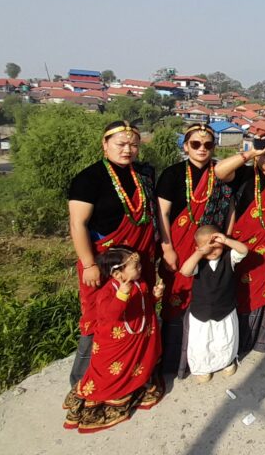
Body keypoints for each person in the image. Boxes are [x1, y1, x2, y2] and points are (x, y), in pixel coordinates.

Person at [66, 121, 159, 390]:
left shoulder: (143, 175)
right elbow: (77, 224)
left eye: (133, 145)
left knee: (138, 313)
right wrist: (89, 264)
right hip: (104, 263)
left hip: (138, 261)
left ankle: (135, 376)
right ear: (105, 145)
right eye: (121, 144)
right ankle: (82, 382)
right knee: (98, 318)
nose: (127, 150)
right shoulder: (88, 178)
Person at [155, 123, 237, 376]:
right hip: (180, 245)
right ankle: (175, 363)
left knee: (211, 296)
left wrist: (226, 240)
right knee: (177, 301)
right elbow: (162, 214)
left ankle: (214, 358)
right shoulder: (172, 174)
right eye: (195, 144)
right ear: (185, 146)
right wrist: (167, 248)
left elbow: (230, 209)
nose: (202, 149)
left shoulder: (222, 173)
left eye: (208, 144)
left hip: (212, 247)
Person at [64, 247, 164, 433]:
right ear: (117, 274)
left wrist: (155, 296)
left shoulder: (140, 283)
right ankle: (104, 400)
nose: (140, 268)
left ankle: (132, 390)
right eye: (135, 266)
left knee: (137, 368)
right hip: (116, 345)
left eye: (139, 265)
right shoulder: (107, 293)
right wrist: (122, 295)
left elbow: (145, 305)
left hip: (138, 339)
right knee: (109, 375)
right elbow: (110, 316)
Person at [213, 136, 265, 355]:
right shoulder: (245, 174)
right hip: (241, 245)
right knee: (241, 292)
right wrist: (251, 153)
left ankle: (263, 341)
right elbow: (219, 172)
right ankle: (237, 344)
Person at [178, 224, 250, 383]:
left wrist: (226, 240)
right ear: (198, 248)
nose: (212, 250)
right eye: (207, 247)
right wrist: (199, 253)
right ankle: (203, 367)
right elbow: (185, 271)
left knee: (225, 338)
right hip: (201, 313)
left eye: (215, 246)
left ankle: (227, 362)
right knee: (202, 342)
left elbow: (243, 251)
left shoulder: (229, 258)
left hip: (225, 310)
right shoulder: (198, 262)